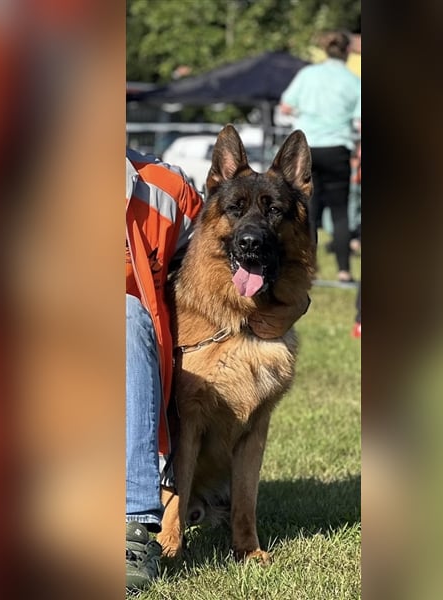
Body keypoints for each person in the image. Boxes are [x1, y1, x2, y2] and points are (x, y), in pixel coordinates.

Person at [125, 147, 310, 590]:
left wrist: (296, 304)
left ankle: (230, 529)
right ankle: (156, 521)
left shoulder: (166, 188)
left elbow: (199, 252)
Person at [279, 30, 361, 283]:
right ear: (347, 51)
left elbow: (286, 105)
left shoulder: (307, 75)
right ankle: (344, 269)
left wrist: (306, 113)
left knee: (309, 209)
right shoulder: (353, 80)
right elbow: (359, 121)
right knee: (340, 211)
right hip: (338, 147)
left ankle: (308, 267)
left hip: (309, 148)